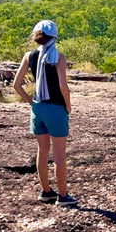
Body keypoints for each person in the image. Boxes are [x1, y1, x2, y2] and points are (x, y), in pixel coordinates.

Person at [12, 20, 76, 207]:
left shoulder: (28, 56)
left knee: (42, 151)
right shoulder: (59, 58)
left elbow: (16, 84)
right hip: (55, 108)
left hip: (38, 108)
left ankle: (46, 191)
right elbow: (63, 86)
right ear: (55, 37)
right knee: (59, 155)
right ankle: (63, 196)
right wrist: (68, 105)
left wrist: (31, 102)